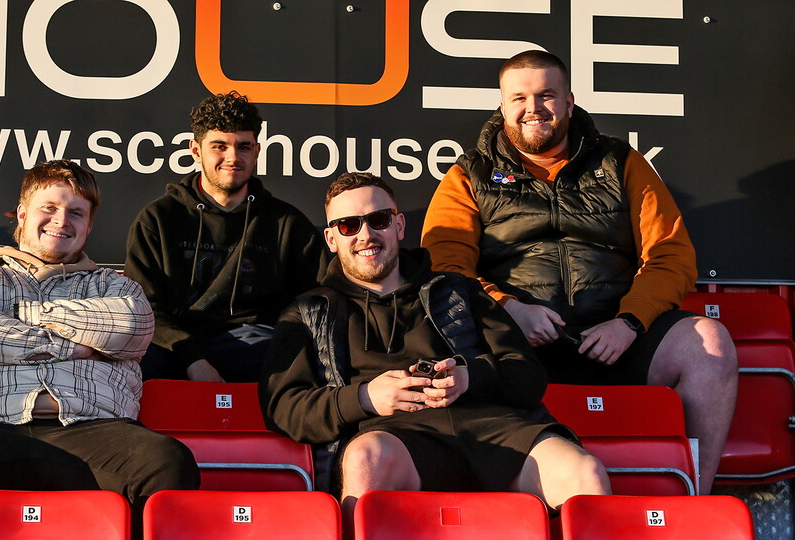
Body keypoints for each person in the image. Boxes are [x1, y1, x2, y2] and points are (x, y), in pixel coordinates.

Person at [421, 50, 737, 495]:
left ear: (569, 101)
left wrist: (629, 322)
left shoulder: (622, 161)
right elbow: (445, 269)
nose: (534, 109)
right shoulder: (468, 174)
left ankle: (697, 500)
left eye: (547, 95)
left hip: (614, 338)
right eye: (520, 98)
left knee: (710, 344)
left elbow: (671, 255)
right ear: (502, 106)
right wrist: (509, 309)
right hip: (518, 346)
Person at [260, 172, 610, 532]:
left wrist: (469, 376)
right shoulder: (309, 311)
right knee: (366, 459)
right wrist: (365, 398)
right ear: (331, 239)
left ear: (398, 226)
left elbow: (528, 376)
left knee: (585, 473)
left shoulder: (459, 290)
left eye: (378, 220)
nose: (366, 235)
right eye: (349, 226)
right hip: (395, 439)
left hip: (495, 432)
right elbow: (282, 407)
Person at [0, 160, 199, 539]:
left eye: (76, 212)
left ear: (89, 226)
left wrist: (17, 318)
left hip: (93, 430)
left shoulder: (117, 287)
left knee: (167, 461)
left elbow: (132, 326)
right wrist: (76, 346)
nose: (62, 221)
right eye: (49, 208)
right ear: (23, 215)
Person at [124, 91, 327, 383]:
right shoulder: (158, 218)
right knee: (132, 363)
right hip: (175, 345)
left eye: (244, 147)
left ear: (256, 151)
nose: (233, 158)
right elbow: (144, 308)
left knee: (287, 358)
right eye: (219, 146)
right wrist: (193, 359)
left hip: (255, 346)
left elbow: (315, 301)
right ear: (196, 151)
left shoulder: (287, 223)